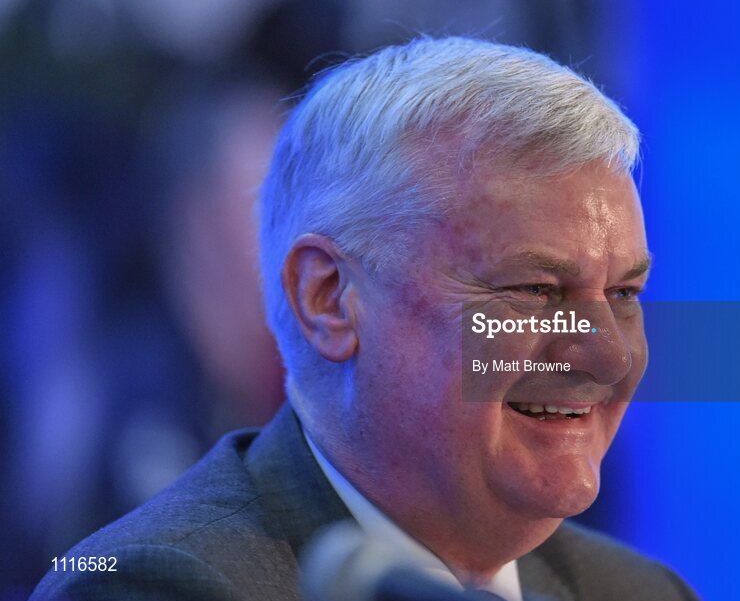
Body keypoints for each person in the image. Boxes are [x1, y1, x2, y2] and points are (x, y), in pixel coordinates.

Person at [32, 37, 697, 601]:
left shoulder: (638, 590)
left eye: (623, 295)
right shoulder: (157, 583)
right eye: (534, 288)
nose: (607, 356)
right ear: (330, 298)